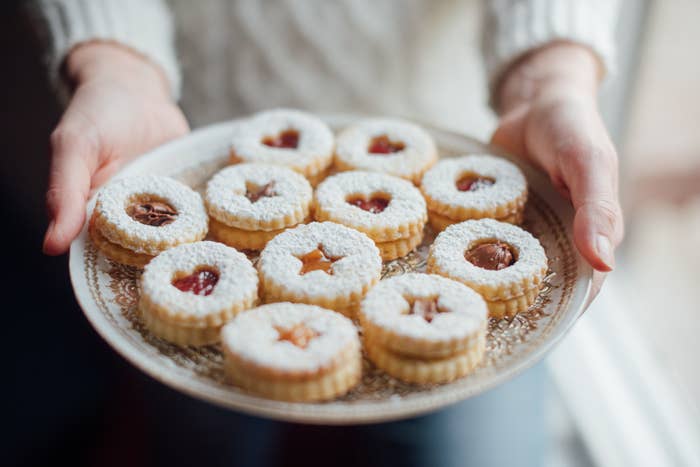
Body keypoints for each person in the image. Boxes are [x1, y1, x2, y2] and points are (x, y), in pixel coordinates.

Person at [30, 1, 624, 466]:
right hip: (189, 146)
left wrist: (550, 83)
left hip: (463, 143)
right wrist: (117, 68)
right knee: (200, 440)